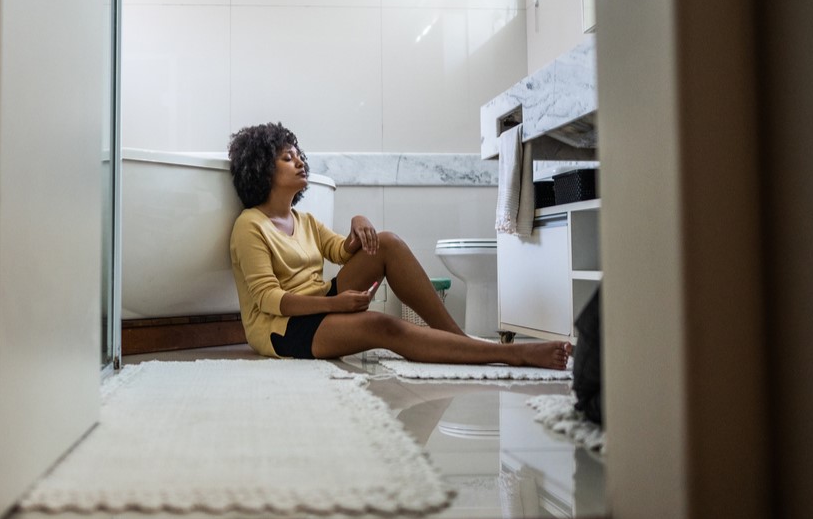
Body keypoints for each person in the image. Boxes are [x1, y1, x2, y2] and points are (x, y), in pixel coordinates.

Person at [227, 121, 571, 369]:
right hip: (280, 328)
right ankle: (512, 355)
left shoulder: (303, 220)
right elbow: (269, 300)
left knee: (387, 243)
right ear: (261, 170)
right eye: (287, 158)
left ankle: (458, 340)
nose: (300, 160)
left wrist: (358, 223)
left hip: (320, 302)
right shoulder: (249, 226)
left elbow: (341, 250)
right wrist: (337, 306)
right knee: (382, 326)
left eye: (297, 154)